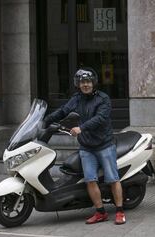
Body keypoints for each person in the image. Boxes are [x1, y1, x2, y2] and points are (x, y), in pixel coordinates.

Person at [44, 67, 126, 225]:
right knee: (90, 179)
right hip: (86, 147)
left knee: (113, 179)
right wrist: (45, 121)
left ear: (94, 82)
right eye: (82, 82)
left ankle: (120, 211)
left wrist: (81, 128)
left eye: (88, 81)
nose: (85, 85)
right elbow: (63, 111)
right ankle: (100, 212)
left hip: (104, 145)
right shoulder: (77, 98)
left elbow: (101, 118)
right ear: (78, 84)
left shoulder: (103, 99)